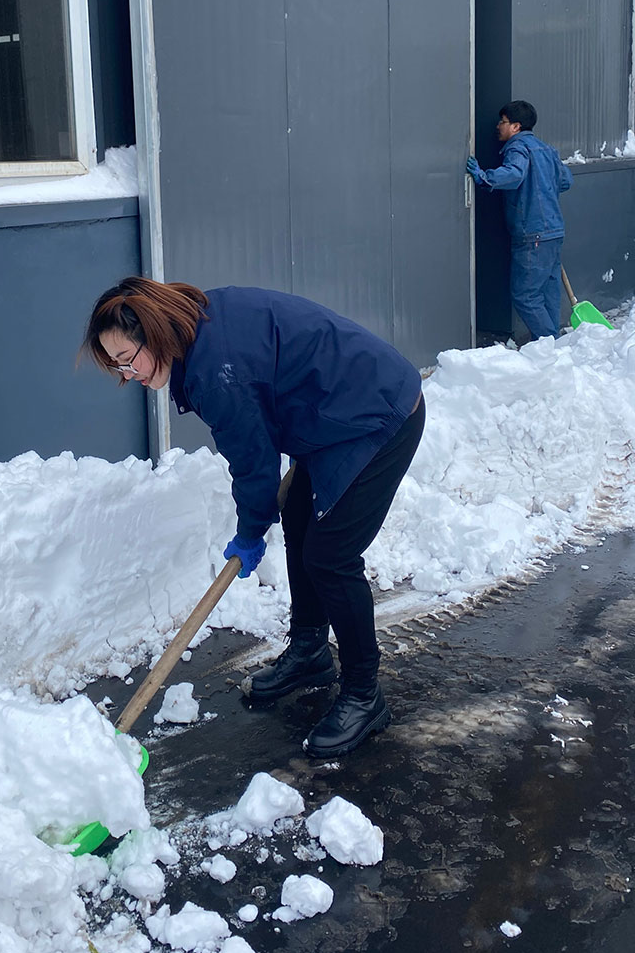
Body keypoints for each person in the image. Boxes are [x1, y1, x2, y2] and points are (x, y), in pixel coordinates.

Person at [82, 278, 425, 758]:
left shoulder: (215, 372)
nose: (127, 374)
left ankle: (364, 694)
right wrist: (259, 521)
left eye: (127, 358)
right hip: (333, 414)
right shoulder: (199, 328)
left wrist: (250, 532)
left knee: (330, 557)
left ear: (154, 330)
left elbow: (254, 462)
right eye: (116, 366)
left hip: (376, 414)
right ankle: (309, 651)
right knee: (301, 522)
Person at [466, 100, 574, 341]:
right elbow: (566, 181)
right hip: (554, 230)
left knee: (525, 294)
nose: (498, 126)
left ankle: (547, 341)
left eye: (502, 122)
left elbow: (514, 174)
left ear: (515, 127)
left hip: (532, 232)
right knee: (548, 291)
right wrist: (542, 187)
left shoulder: (517, 148)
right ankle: (550, 342)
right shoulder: (547, 149)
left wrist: (485, 177)